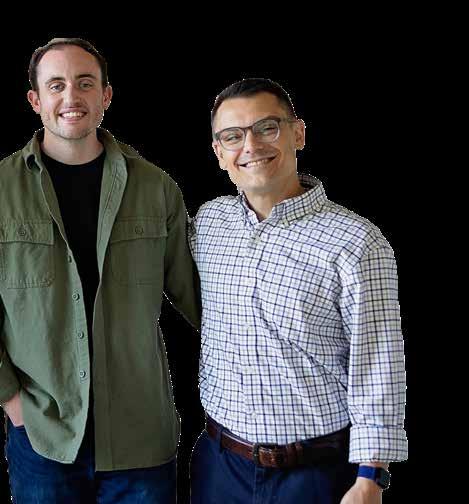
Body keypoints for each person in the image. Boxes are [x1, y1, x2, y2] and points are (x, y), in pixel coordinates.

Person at [189, 78, 407, 504]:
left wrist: (370, 476)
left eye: (266, 128)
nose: (251, 145)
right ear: (219, 153)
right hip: (219, 465)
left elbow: (378, 362)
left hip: (316, 473)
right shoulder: (209, 223)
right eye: (233, 136)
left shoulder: (357, 242)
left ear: (298, 133)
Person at [0, 37, 199, 503]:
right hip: (42, 436)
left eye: (85, 83)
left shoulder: (156, 187)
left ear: (106, 95)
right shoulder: (1, 190)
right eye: (56, 85)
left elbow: (200, 297)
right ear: (35, 100)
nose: (71, 96)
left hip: (140, 436)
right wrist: (10, 399)